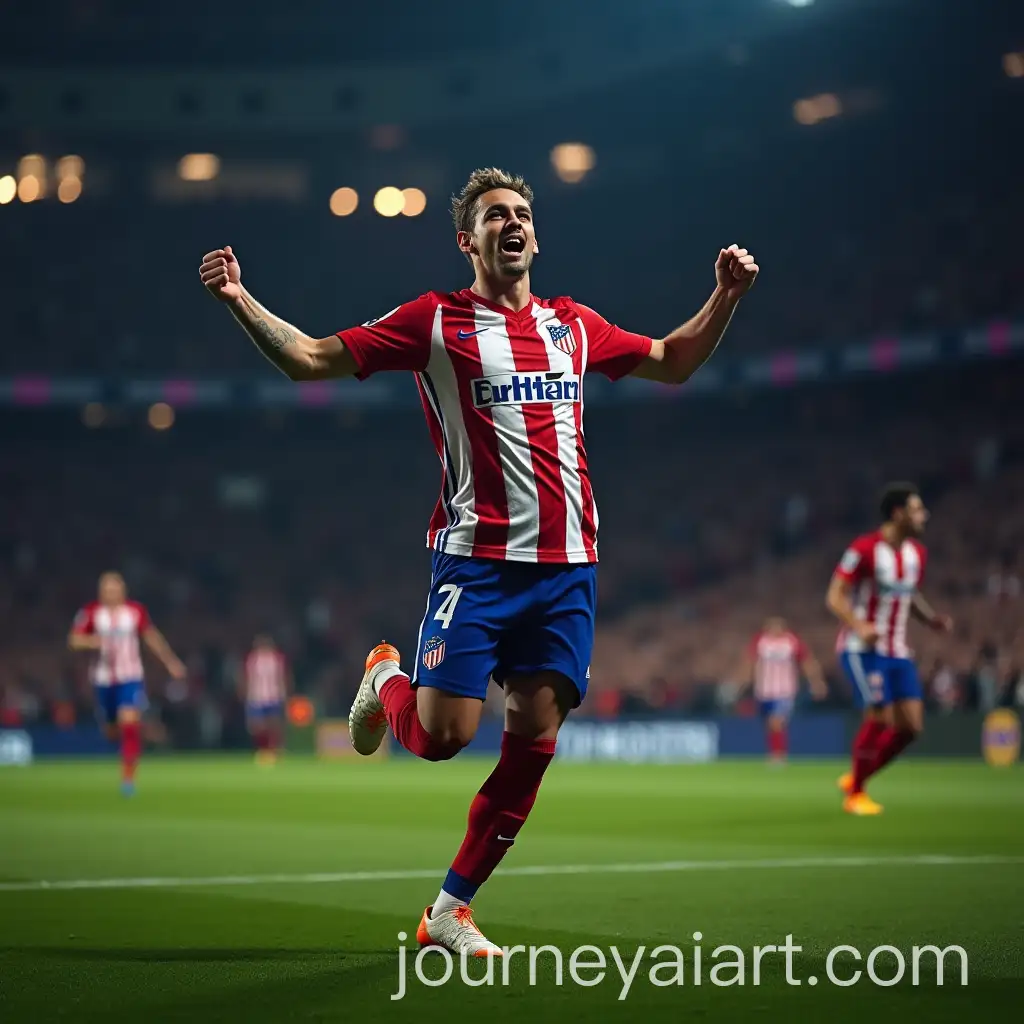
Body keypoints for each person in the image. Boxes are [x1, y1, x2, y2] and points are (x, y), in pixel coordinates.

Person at [199, 166, 759, 955]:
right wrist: (239, 302)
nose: (514, 223)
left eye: (524, 213)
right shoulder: (435, 321)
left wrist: (725, 296)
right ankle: (385, 677)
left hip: (568, 569)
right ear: (469, 240)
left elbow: (673, 360)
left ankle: (448, 911)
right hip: (477, 566)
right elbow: (311, 360)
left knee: (535, 735)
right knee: (440, 738)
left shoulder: (575, 326)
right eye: (497, 215)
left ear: (536, 234)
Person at [826, 483, 953, 815]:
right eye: (917, 509)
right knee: (879, 717)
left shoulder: (916, 555)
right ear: (898, 514)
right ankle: (856, 793)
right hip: (862, 649)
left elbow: (906, 595)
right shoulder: (864, 549)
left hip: (898, 651)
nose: (923, 515)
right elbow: (835, 595)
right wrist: (859, 625)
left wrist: (930, 619)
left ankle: (857, 776)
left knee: (911, 728)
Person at [68, 571, 186, 795]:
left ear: (123, 591)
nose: (111, 593)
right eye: (107, 589)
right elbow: (73, 640)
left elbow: (152, 637)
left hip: (130, 677)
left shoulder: (135, 612)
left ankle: (128, 780)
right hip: (103, 680)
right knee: (112, 731)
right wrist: (91, 641)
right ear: (100, 592)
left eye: (115, 589)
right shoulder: (90, 613)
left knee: (129, 722)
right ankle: (133, 739)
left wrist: (171, 662)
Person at [738, 616, 826, 763]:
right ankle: (774, 752)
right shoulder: (761, 641)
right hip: (764, 690)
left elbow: (807, 662)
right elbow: (750, 662)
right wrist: (743, 682)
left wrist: (817, 682)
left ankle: (779, 755)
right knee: (769, 724)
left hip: (785, 690)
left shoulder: (791, 642)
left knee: (776, 721)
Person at [242, 635, 291, 764]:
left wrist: (284, 693)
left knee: (274, 725)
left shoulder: (277, 658)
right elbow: (247, 677)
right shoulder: (252, 659)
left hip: (273, 696)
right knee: (257, 726)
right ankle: (262, 749)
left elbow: (283, 677)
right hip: (256, 697)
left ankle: (274, 750)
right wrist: (246, 694)